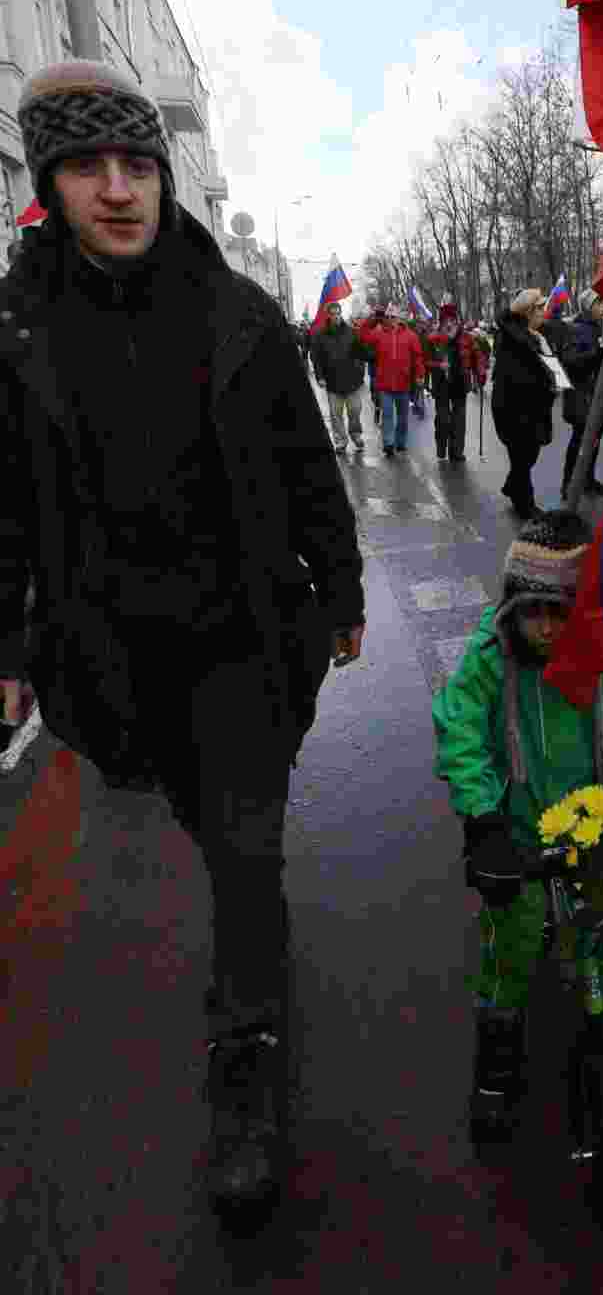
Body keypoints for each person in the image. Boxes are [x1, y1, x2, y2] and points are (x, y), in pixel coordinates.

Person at [0, 60, 366, 1216]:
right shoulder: (17, 332)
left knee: (245, 853)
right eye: (88, 166)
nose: (120, 189)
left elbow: (311, 469)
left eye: (139, 165)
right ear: (49, 185)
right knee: (208, 827)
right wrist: (10, 654)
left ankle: (243, 1067)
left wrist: (342, 583)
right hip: (108, 650)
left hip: (243, 640)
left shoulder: (237, 313)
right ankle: (242, 921)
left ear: (164, 177)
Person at [433, 509, 603, 1138]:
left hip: (592, 827)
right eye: (533, 611)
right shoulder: (489, 657)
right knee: (513, 950)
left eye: (561, 613)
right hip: (519, 834)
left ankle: (601, 1012)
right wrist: (481, 821)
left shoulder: (598, 655)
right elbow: (460, 730)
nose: (546, 628)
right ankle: (497, 1063)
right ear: (511, 605)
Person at [490, 289, 558, 518]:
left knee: (528, 455)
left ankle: (513, 487)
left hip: (532, 408)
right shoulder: (511, 339)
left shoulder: (536, 336)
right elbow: (517, 378)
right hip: (515, 409)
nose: (543, 311)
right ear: (528, 312)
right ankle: (525, 505)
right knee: (522, 456)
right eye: (539, 307)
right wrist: (545, 385)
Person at [559, 287, 603, 499]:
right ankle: (568, 483)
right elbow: (570, 362)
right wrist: (596, 352)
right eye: (601, 303)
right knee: (578, 440)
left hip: (599, 391)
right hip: (582, 393)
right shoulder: (574, 328)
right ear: (590, 306)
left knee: (595, 439)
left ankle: (588, 479)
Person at [355, 303, 424, 456]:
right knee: (387, 415)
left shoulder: (410, 335)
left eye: (393, 317)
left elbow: (418, 357)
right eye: (388, 317)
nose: (391, 319)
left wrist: (419, 375)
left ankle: (400, 442)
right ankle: (388, 443)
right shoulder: (379, 334)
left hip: (403, 383)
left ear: (399, 318)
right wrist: (372, 319)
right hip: (385, 384)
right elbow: (362, 335)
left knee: (403, 417)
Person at [426, 301, 489, 462]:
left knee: (459, 420)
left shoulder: (467, 337)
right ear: (441, 321)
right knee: (443, 420)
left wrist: (480, 372)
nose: (449, 323)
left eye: (452, 320)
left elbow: (478, 356)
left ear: (456, 320)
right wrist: (438, 365)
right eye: (446, 320)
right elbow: (424, 361)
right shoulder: (433, 338)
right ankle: (441, 449)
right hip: (441, 385)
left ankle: (456, 452)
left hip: (460, 383)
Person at [310, 301, 372, 453]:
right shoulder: (320, 335)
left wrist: (371, 355)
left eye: (338, 313)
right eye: (333, 314)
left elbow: (361, 351)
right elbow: (316, 358)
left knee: (355, 410)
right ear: (328, 316)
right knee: (335, 414)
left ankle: (356, 435)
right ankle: (340, 441)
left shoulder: (351, 332)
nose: (336, 317)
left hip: (352, 381)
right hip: (333, 382)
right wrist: (320, 377)